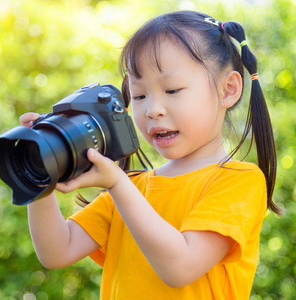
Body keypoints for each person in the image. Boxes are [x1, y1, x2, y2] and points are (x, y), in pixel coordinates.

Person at [20, 10, 281, 299]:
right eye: (140, 95)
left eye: (172, 90)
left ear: (228, 90)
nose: (152, 109)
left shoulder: (238, 181)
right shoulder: (130, 187)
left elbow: (180, 268)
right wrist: (40, 169)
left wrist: (117, 185)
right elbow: (57, 251)